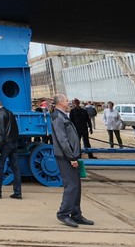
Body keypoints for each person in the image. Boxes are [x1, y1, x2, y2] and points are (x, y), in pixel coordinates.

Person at [50, 94, 93, 228]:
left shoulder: (63, 116)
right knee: (71, 186)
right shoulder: (58, 117)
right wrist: (71, 158)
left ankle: (76, 214)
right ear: (61, 102)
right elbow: (62, 140)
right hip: (66, 157)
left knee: (76, 186)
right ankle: (63, 213)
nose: (68, 102)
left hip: (72, 156)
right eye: (67, 100)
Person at [0, 98, 22, 199]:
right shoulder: (9, 112)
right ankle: (18, 192)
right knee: (16, 169)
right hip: (14, 143)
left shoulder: (0, 114)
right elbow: (15, 129)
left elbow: (1, 132)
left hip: (5, 144)